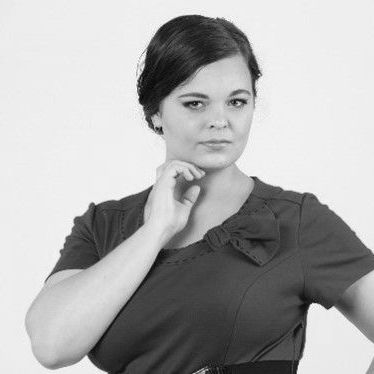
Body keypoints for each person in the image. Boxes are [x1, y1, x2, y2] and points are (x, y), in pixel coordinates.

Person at [25, 14, 374, 374]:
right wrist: (155, 230)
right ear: (156, 112)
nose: (219, 120)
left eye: (237, 102)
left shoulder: (297, 220)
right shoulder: (103, 224)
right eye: (195, 103)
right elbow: (51, 347)